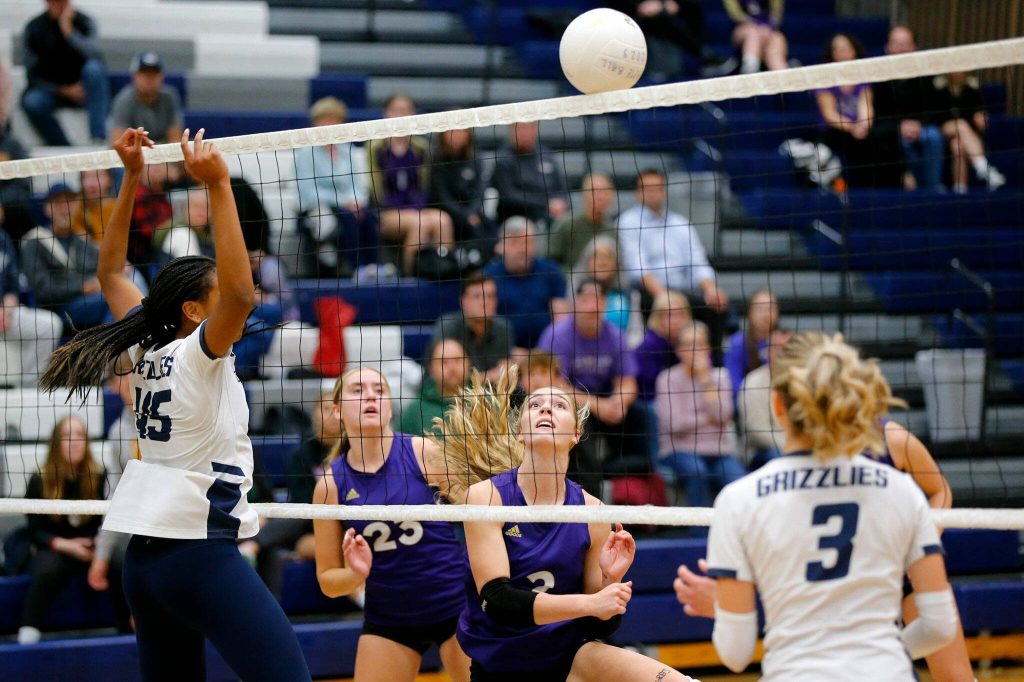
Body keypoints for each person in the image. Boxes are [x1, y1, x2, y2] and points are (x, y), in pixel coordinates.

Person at [39, 128, 311, 681]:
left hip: (144, 564)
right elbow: (240, 294)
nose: (227, 303)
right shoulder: (196, 354)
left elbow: (110, 271)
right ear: (192, 311)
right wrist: (217, 186)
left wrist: (132, 175)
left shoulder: (143, 346)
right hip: (199, 557)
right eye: (211, 298)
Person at [694, 331, 957, 677]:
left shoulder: (738, 500)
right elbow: (939, 628)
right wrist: (874, 653)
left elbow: (736, 654)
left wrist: (721, 609)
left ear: (778, 405)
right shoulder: (902, 490)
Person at [425, 368, 694, 681]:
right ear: (520, 432)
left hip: (570, 660)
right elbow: (498, 601)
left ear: (575, 435)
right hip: (502, 668)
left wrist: (610, 579)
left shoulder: (593, 512)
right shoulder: (486, 496)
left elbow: (599, 625)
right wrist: (590, 601)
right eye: (535, 405)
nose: (546, 409)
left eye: (559, 405)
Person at [312, 366, 471, 682]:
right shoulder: (330, 485)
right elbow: (329, 581)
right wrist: (356, 574)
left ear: (389, 405)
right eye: (358, 390)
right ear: (336, 410)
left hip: (455, 607)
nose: (371, 395)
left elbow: (479, 514)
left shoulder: (422, 452)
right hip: (389, 616)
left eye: (379, 390)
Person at [18, 416, 129, 644]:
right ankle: (28, 631)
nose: (75, 442)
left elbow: (108, 522)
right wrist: (67, 546)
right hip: (57, 548)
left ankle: (127, 629)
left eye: (80, 435)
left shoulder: (99, 475)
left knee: (121, 562)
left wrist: (98, 547)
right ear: (56, 443)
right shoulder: (40, 480)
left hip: (92, 548)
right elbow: (34, 532)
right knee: (47, 568)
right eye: (68, 436)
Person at [537, 278, 647, 495]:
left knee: (642, 415)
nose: (592, 306)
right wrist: (598, 406)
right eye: (586, 299)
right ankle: (591, 490)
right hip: (567, 403)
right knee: (581, 425)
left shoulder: (615, 335)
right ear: (575, 303)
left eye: (597, 299)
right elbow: (555, 384)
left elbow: (628, 380)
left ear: (605, 304)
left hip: (606, 399)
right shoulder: (557, 335)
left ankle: (638, 476)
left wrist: (619, 402)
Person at [617, 169, 728, 361]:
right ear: (637, 192)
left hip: (684, 292)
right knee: (663, 310)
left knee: (716, 308)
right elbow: (639, 268)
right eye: (647, 188)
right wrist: (666, 298)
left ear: (664, 191)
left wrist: (710, 288)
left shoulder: (681, 224)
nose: (652, 193)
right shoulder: (628, 222)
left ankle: (715, 367)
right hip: (649, 293)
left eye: (657, 188)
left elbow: (698, 262)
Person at [239, 392, 338, 598]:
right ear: (315, 414)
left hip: (341, 524)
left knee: (278, 542)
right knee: (296, 516)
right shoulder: (301, 454)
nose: (332, 415)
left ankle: (253, 545)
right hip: (308, 524)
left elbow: (267, 497)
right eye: (326, 409)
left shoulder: (352, 452)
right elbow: (304, 503)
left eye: (337, 409)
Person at [655, 321, 743, 510]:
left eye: (700, 344)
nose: (694, 350)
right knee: (697, 472)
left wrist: (706, 382)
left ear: (708, 348)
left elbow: (724, 415)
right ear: (678, 350)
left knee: (738, 478)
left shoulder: (720, 377)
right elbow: (674, 425)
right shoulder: (667, 379)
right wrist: (708, 419)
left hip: (718, 452)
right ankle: (699, 534)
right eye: (687, 345)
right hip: (679, 451)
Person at [367, 94, 452, 275]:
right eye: (397, 110)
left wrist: (416, 207)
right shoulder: (375, 148)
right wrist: (406, 211)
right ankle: (412, 277)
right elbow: (376, 191)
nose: (401, 115)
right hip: (386, 213)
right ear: (386, 114)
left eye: (405, 110)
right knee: (419, 223)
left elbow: (424, 186)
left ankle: (444, 271)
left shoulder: (421, 147)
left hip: (416, 208)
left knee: (443, 220)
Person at [295, 96, 378, 276]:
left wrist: (356, 201)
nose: (329, 124)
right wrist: (344, 202)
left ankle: (373, 266)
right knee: (348, 216)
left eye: (334, 119)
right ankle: (356, 268)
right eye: (324, 119)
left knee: (368, 215)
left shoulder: (346, 150)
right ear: (315, 123)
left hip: (348, 205)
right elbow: (308, 192)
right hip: (317, 208)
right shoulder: (305, 153)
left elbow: (357, 184)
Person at [815, 33, 902, 189]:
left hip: (858, 130)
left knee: (879, 139)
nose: (842, 53)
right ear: (832, 54)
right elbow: (830, 115)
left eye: (846, 49)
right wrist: (852, 127)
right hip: (835, 130)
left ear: (854, 51)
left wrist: (863, 125)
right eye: (837, 49)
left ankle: (885, 188)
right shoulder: (824, 78)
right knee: (850, 142)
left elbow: (866, 107)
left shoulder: (862, 77)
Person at [20, 183, 108, 333]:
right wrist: (82, 287)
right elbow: (43, 289)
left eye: (70, 202)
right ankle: (112, 352)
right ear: (47, 209)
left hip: (86, 302)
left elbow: (101, 267)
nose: (65, 208)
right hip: (56, 310)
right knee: (110, 301)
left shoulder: (82, 240)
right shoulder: (34, 242)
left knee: (124, 289)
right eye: (59, 203)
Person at [20, 0, 109, 145]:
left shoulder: (84, 22)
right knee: (32, 101)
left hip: (83, 90)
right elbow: (32, 73)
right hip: (52, 91)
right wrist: (62, 90)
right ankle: (62, 146)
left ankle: (98, 137)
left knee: (94, 70)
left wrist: (69, 32)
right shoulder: (34, 28)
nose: (57, 5)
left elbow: (97, 56)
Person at [872, 26, 946, 192]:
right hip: (891, 131)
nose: (901, 49)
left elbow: (935, 110)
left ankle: (933, 190)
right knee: (899, 144)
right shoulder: (876, 78)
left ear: (914, 48)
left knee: (933, 136)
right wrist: (898, 127)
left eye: (905, 44)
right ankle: (910, 190)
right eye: (897, 44)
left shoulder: (926, 77)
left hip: (921, 128)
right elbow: (874, 118)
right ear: (887, 48)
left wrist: (919, 124)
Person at [483, 217, 568, 348]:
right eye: (514, 242)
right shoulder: (489, 276)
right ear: (501, 246)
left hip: (546, 352)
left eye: (527, 242)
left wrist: (545, 352)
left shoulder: (551, 271)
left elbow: (561, 320)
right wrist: (509, 352)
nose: (522, 249)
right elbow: (485, 322)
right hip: (504, 353)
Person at [0, 219, 62, 387]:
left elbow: (13, 288)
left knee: (49, 325)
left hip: (5, 314)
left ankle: (29, 389)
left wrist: (5, 310)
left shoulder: (3, 238)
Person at [609, 0, 734, 77]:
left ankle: (705, 59)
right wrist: (642, 7)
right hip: (626, 20)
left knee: (691, 6)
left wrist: (668, 3)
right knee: (662, 18)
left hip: (658, 12)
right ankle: (705, 56)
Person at [432, 271, 515, 380]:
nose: (485, 302)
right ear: (463, 301)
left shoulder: (504, 328)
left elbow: (506, 372)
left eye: (490, 296)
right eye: (477, 296)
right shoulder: (447, 327)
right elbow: (438, 376)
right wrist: (488, 378)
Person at [932, 72, 1005, 193]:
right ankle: (982, 167)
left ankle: (960, 189)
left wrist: (980, 118)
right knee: (960, 125)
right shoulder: (937, 89)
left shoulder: (973, 90)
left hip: (965, 136)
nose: (957, 73)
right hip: (942, 130)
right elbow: (935, 117)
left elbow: (979, 115)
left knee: (958, 146)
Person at [491, 121, 568, 230]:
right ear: (511, 131)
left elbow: (561, 186)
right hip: (516, 216)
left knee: (568, 223)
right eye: (520, 128)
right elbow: (509, 195)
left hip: (548, 214)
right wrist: (545, 204)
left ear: (535, 130)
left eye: (527, 128)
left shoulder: (545, 155)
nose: (524, 133)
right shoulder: (503, 159)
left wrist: (561, 201)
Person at [735, 328, 792, 469]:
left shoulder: (805, 381)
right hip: (761, 451)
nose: (783, 352)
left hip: (796, 447)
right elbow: (757, 432)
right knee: (779, 457)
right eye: (777, 348)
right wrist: (793, 446)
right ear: (767, 352)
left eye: (789, 348)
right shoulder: (752, 382)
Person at [431, 126, 492, 248]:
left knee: (489, 229)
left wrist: (471, 213)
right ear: (443, 134)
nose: (456, 134)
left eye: (460, 129)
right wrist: (464, 215)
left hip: (472, 213)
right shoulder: (436, 160)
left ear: (468, 134)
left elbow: (480, 193)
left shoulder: (476, 159)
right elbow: (441, 197)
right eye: (452, 130)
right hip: (447, 213)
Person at [401, 338, 472, 436]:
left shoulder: (487, 404)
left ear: (469, 363)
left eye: (457, 360)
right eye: (444, 362)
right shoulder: (414, 411)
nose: (452, 367)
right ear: (431, 368)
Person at [109, 52, 183, 145]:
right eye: (145, 73)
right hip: (133, 154)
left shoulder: (170, 97)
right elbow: (119, 143)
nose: (150, 78)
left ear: (161, 77)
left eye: (154, 73)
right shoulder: (123, 100)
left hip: (163, 154)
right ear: (134, 76)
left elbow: (175, 140)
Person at [547, 173, 617, 268]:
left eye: (605, 191)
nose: (600, 197)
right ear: (583, 195)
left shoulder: (612, 229)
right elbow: (549, 262)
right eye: (594, 191)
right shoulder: (566, 224)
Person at [568, 236, 636, 332]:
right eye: (597, 256)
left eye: (608, 257)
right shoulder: (576, 285)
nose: (602, 262)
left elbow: (635, 327)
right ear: (587, 261)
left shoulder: (625, 286)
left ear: (617, 263)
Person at [724, 288, 779, 400]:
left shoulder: (785, 342)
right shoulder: (738, 343)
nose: (766, 314)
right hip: (747, 402)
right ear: (750, 313)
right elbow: (734, 385)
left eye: (770, 308)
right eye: (760, 309)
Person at [723, 0, 789, 73]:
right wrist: (758, 26)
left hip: (768, 30)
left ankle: (784, 74)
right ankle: (750, 69)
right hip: (743, 30)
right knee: (753, 34)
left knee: (777, 38)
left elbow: (776, 15)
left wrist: (768, 27)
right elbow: (736, 15)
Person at [72, 168, 115, 240]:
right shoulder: (75, 209)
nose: (91, 184)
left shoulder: (120, 208)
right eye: (86, 177)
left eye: (98, 176)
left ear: (110, 180)